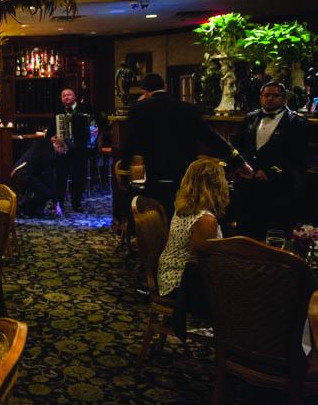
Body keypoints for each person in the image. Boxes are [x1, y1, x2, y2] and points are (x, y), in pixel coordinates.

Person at [122, 73, 251, 218]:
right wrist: (239, 161)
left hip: (155, 178)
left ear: (145, 92)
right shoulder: (188, 108)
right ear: (164, 87)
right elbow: (212, 138)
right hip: (184, 179)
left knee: (158, 218)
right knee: (182, 215)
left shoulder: (139, 109)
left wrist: (124, 174)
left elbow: (129, 144)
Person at [157, 158, 228, 339]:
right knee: (249, 292)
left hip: (169, 274)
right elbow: (203, 263)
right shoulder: (205, 220)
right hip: (181, 285)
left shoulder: (184, 207)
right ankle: (235, 345)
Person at [232, 81, 309, 241]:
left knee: (273, 237)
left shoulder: (297, 122)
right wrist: (239, 168)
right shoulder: (250, 118)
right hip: (248, 188)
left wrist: (271, 173)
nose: (270, 98)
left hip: (278, 191)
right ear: (261, 98)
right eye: (266, 95)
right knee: (245, 236)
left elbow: (298, 158)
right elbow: (238, 147)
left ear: (284, 99)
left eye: (275, 95)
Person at [45, 88, 100, 213]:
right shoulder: (58, 113)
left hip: (81, 149)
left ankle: (77, 203)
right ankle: (60, 202)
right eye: (63, 95)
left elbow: (96, 125)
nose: (66, 97)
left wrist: (94, 131)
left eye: (69, 95)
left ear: (74, 97)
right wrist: (52, 138)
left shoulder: (86, 109)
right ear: (61, 99)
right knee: (61, 177)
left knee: (79, 176)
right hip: (63, 149)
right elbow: (49, 134)